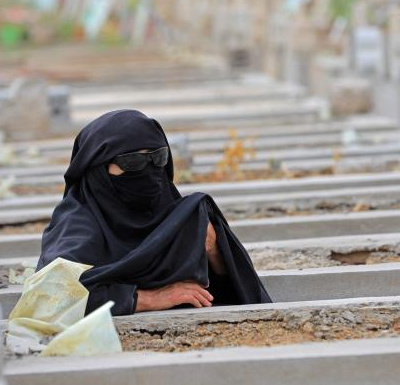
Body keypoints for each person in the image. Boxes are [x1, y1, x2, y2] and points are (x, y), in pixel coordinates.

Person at [37, 109, 272, 316]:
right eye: (132, 162)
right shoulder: (79, 222)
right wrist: (148, 298)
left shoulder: (181, 215)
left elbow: (236, 292)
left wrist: (215, 252)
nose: (148, 171)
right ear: (98, 168)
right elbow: (52, 294)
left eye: (157, 157)